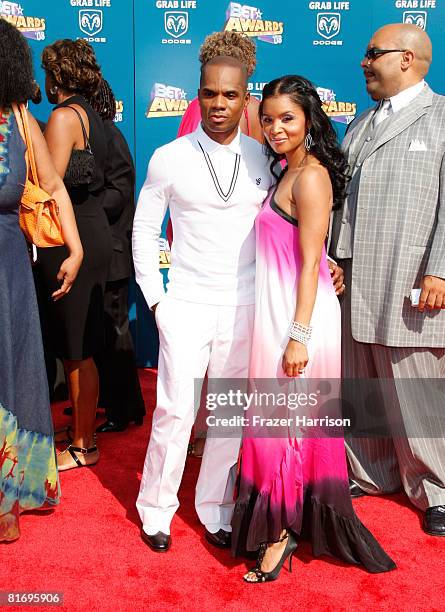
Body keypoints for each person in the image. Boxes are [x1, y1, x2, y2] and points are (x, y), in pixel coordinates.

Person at [231, 75, 396, 582]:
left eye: (288, 119)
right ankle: (281, 520)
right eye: (269, 118)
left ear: (309, 121)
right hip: (280, 312)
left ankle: (280, 535)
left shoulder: (313, 176)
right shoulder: (286, 170)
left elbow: (308, 266)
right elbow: (313, 256)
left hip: (299, 318)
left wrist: (299, 335)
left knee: (285, 426)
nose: (276, 128)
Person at [133, 56, 274, 552]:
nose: (219, 104)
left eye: (230, 95)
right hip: (187, 303)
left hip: (246, 305)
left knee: (231, 414)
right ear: (199, 93)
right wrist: (157, 301)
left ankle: (214, 507)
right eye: (210, 93)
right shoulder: (169, 157)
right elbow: (146, 230)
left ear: (245, 98)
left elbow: (284, 228)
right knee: (176, 411)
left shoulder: (263, 158)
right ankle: (155, 507)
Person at [330, 23, 445, 536]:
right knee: (365, 383)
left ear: (407, 58)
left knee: (418, 387)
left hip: (413, 279)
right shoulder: (359, 123)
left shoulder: (441, 116)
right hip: (355, 280)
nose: (363, 63)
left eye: (372, 53)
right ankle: (372, 473)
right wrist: (330, 258)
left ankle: (437, 488)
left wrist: (441, 269)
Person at [0, 20, 83, 540]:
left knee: (11, 374)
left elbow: (52, 184)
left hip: (7, 271)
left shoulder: (18, 118)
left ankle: (6, 497)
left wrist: (74, 246)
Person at [37, 39, 112, 470]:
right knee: (80, 345)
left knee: (77, 348)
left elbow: (50, 184)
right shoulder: (90, 113)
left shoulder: (64, 117)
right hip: (91, 230)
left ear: (58, 75)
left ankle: (84, 445)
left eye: (47, 72)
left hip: (72, 239)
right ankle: (82, 432)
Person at [86, 78, 146, 433]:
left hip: (113, 253)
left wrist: (81, 209)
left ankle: (126, 410)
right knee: (103, 335)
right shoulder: (98, 135)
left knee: (116, 333)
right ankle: (109, 402)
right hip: (101, 251)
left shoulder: (111, 136)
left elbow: (120, 193)